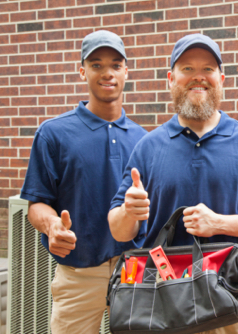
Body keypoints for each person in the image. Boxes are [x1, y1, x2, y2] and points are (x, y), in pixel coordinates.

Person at [108, 34, 238, 333]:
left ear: (222, 78)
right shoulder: (148, 147)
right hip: (161, 299)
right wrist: (129, 212)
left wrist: (219, 223)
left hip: (232, 299)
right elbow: (119, 230)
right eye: (187, 69)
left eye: (207, 69)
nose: (198, 77)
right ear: (171, 78)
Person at [20, 30, 148, 333]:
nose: (107, 73)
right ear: (82, 71)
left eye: (116, 65)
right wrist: (52, 225)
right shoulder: (53, 134)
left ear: (126, 71)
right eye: (96, 65)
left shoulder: (145, 141)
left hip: (134, 268)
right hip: (78, 271)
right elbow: (37, 204)